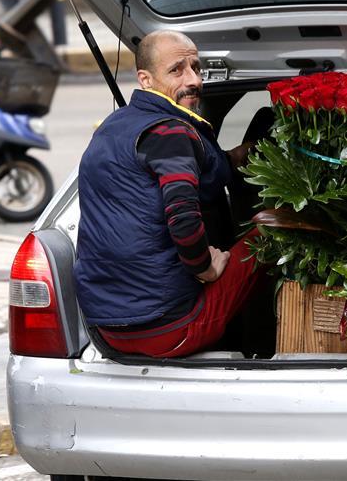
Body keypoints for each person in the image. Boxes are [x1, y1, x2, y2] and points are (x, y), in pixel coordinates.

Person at [74, 30, 267, 358]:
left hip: (107, 333)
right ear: (145, 79)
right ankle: (262, 352)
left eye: (196, 67)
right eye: (177, 70)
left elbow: (193, 173)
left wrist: (232, 159)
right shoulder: (171, 132)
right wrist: (204, 266)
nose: (193, 80)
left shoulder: (113, 126)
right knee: (272, 232)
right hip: (169, 328)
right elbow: (182, 214)